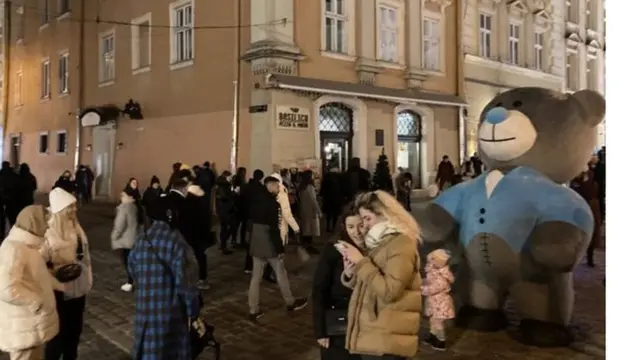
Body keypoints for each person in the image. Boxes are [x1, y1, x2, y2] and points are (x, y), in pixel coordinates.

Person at [336, 190, 423, 360]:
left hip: (388, 335)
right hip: (376, 331)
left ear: (384, 214)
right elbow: (372, 282)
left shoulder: (401, 244)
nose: (365, 225)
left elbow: (390, 291)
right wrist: (351, 274)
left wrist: (361, 262)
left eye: (368, 218)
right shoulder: (381, 241)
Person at [128, 193, 201, 359]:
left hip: (145, 308)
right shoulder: (175, 240)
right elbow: (186, 282)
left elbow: (132, 268)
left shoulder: (142, 239)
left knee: (149, 351)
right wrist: (192, 310)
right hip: (169, 311)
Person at [0, 205, 61, 360]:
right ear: (34, 223)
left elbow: (35, 277)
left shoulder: (29, 246)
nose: (47, 227)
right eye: (45, 222)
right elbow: (6, 288)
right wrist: (35, 301)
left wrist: (57, 284)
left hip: (31, 324)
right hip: (22, 325)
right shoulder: (14, 249)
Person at [248, 176, 307, 322]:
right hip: (269, 243)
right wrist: (280, 248)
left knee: (256, 278)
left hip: (256, 241)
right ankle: (290, 301)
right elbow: (274, 229)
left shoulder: (255, 199)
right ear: (271, 185)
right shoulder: (272, 204)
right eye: (276, 186)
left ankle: (253, 308)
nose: (278, 189)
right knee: (281, 273)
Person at [43, 188, 93, 360]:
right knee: (56, 336)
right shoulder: (47, 232)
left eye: (74, 206)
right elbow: (37, 265)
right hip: (56, 291)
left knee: (74, 333)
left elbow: (85, 257)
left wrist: (87, 279)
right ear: (59, 210)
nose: (74, 210)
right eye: (70, 207)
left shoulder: (76, 228)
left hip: (77, 287)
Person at [312, 204, 364, 360]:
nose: (356, 232)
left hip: (366, 325)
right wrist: (321, 331)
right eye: (351, 226)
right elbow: (319, 290)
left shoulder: (375, 248)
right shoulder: (334, 249)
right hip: (339, 323)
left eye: (361, 225)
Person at [422, 249, 455, 351]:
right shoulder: (434, 271)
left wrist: (422, 288)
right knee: (433, 320)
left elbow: (434, 288)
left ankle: (441, 340)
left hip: (441, 304)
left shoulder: (441, 276)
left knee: (438, 322)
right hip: (434, 302)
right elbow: (429, 280)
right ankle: (433, 336)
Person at [183, 184, 212, 290]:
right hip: (199, 235)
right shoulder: (202, 205)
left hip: (187, 235)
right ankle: (202, 278)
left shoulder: (184, 205)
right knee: (201, 257)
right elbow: (206, 221)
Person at [111, 188, 140, 292]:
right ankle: (133, 281)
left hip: (126, 239)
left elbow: (119, 224)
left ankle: (130, 282)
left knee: (128, 262)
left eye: (123, 196)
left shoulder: (124, 208)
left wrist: (114, 236)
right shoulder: (135, 207)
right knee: (133, 261)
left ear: (130, 197)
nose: (121, 198)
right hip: (134, 238)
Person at [298, 170, 321, 254]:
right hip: (311, 211)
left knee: (306, 229)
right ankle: (309, 247)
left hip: (304, 210)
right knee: (310, 230)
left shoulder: (301, 186)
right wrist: (319, 211)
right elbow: (314, 201)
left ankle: (306, 245)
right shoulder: (309, 187)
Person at [215, 171, 237, 255]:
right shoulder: (224, 186)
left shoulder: (220, 185)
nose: (231, 179)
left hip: (222, 210)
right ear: (226, 177)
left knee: (224, 227)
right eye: (230, 177)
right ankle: (224, 243)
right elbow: (225, 197)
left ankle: (223, 244)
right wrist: (234, 193)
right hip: (226, 210)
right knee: (231, 226)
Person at [320, 167, 344, 233]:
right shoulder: (340, 178)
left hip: (327, 198)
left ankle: (328, 226)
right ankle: (333, 227)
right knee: (335, 214)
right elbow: (343, 188)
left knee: (328, 214)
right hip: (337, 198)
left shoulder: (326, 177)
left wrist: (322, 195)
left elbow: (323, 188)